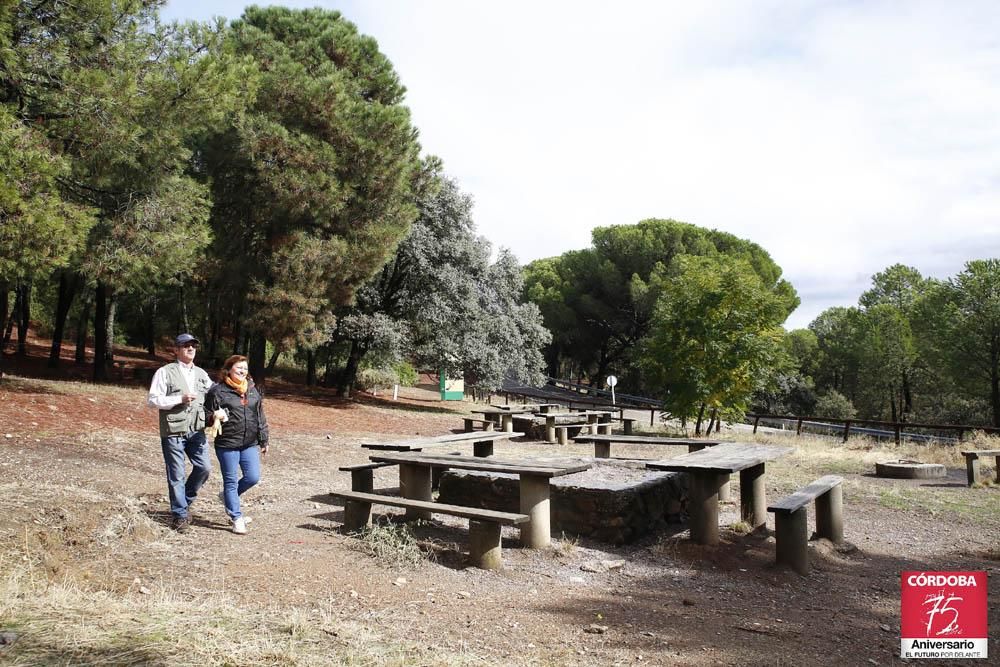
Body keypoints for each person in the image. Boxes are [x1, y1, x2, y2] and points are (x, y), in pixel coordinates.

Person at [147, 333, 213, 533]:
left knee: (204, 468)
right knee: (176, 474)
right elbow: (153, 400)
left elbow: (214, 396)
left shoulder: (202, 374)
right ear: (176, 350)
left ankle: (183, 501)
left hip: (197, 431)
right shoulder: (164, 372)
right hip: (173, 431)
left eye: (193, 345)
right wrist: (179, 398)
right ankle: (180, 516)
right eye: (185, 346)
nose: (190, 349)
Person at [205, 354, 269, 534]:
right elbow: (205, 415)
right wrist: (213, 417)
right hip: (227, 444)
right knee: (231, 481)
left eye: (245, 368)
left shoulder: (252, 389)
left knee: (253, 477)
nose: (242, 371)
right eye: (238, 367)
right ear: (229, 369)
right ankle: (236, 517)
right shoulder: (218, 391)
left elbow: (260, 415)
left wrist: (264, 439)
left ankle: (226, 498)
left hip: (249, 443)